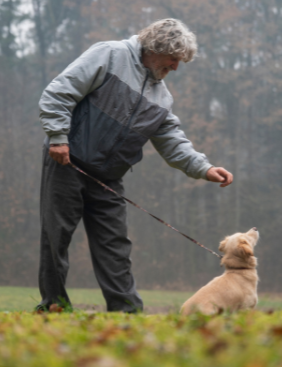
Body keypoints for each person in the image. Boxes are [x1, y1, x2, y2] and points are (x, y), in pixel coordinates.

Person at [37, 18, 233, 313]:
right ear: (156, 48)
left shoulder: (162, 96)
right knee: (57, 237)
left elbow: (172, 140)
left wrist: (204, 168)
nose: (176, 67)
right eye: (173, 59)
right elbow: (59, 92)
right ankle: (54, 305)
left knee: (115, 247)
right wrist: (58, 138)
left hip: (108, 178)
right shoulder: (109, 55)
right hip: (67, 162)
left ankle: (127, 312)